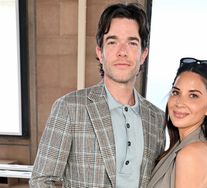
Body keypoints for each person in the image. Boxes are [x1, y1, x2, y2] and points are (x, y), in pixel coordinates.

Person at [29, 3, 166, 187]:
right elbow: (42, 181)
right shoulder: (70, 108)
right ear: (100, 53)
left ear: (143, 55)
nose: (122, 52)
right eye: (112, 42)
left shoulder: (156, 119)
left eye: (132, 43)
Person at [147, 57, 207, 188]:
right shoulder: (182, 146)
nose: (179, 103)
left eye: (193, 95)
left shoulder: (191, 154)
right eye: (176, 92)